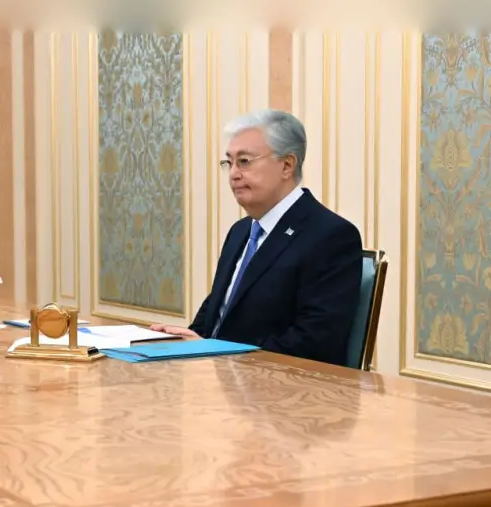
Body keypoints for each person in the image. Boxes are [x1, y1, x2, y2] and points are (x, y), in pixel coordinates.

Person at [150, 110, 362, 366]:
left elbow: (315, 341)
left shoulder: (330, 235)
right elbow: (217, 312)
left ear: (287, 165)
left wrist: (218, 354)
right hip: (218, 376)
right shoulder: (241, 231)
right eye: (229, 163)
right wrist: (184, 341)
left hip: (280, 383)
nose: (233, 173)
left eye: (244, 161)